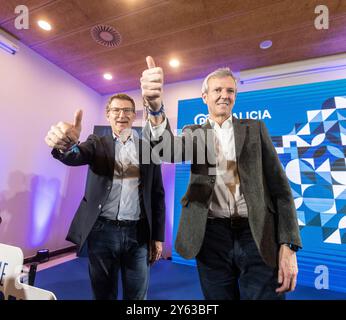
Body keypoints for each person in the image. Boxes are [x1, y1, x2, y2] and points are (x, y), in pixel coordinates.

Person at [140, 56, 302, 300]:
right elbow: (164, 150)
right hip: (211, 236)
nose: (224, 95)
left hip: (256, 234)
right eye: (217, 90)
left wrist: (289, 244)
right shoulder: (193, 133)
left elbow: (281, 189)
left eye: (230, 91)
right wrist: (155, 109)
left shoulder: (255, 128)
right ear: (205, 97)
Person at [44, 93, 165, 300]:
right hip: (102, 232)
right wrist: (65, 146)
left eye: (127, 110)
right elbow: (74, 155)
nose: (121, 115)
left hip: (138, 233)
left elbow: (157, 194)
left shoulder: (148, 149)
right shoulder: (96, 143)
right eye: (116, 110)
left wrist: (158, 237)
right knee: (103, 294)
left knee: (137, 296)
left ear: (133, 116)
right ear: (108, 115)